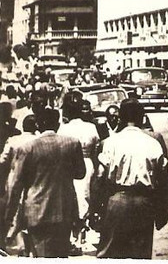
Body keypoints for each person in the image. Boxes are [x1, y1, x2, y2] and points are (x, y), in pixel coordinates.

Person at [1, 107, 86, 257]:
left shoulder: (27, 148)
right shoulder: (72, 144)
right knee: (61, 254)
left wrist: (9, 217)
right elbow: (80, 173)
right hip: (65, 210)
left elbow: (16, 186)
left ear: (38, 125)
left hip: (37, 211)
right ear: (58, 124)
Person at [93, 99, 168, 259]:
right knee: (140, 255)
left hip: (117, 202)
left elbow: (100, 176)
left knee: (111, 253)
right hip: (144, 204)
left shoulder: (110, 143)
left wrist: (95, 207)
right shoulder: (153, 143)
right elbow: (164, 180)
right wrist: (163, 208)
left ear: (120, 118)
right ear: (142, 117)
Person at [58, 100, 100, 250]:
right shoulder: (91, 127)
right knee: (86, 197)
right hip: (87, 164)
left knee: (71, 198)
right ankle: (83, 234)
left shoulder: (63, 129)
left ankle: (73, 235)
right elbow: (96, 149)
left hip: (68, 167)